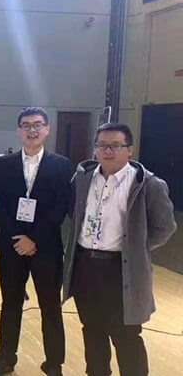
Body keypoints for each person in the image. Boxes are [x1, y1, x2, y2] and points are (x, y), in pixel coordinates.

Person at [62, 123, 176, 376]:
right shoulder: (82, 178)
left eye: (115, 145)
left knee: (126, 336)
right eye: (102, 145)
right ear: (95, 149)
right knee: (92, 331)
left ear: (129, 150)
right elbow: (74, 213)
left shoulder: (148, 184)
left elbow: (165, 226)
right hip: (85, 267)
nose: (108, 151)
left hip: (121, 270)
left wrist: (136, 249)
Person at [0, 107, 71, 376]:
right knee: (10, 304)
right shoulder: (5, 164)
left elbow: (60, 208)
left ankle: (53, 363)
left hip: (46, 248)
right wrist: (19, 237)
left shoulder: (61, 165)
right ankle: (5, 358)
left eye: (37, 125)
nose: (32, 130)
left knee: (50, 306)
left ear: (47, 129)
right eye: (26, 125)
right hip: (12, 246)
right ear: (18, 130)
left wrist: (33, 239)